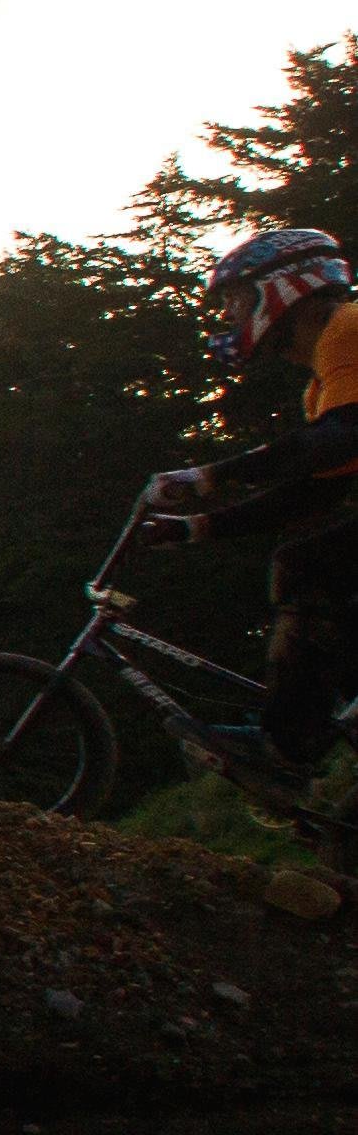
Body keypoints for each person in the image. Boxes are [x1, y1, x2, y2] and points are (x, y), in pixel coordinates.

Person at [144, 226, 358, 789]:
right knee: (312, 562)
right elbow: (317, 488)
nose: (232, 319)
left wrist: (213, 476)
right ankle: (308, 738)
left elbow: (339, 440)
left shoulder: (347, 329)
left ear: (282, 288)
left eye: (237, 302)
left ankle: (287, 747)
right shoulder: (321, 383)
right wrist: (198, 527)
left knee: (307, 565)